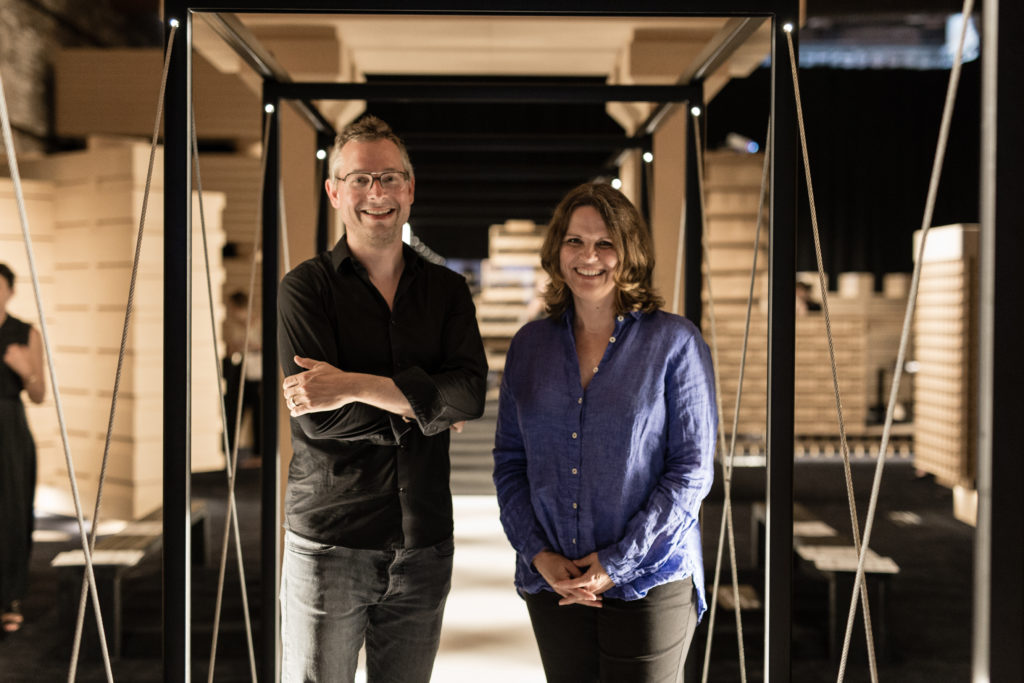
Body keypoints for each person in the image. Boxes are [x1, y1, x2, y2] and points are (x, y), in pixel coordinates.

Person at [277, 115, 487, 682]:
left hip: (424, 543)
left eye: (390, 178)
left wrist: (351, 383)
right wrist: (426, 407)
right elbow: (321, 421)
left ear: (410, 190)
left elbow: (469, 395)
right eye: (360, 179)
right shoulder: (305, 289)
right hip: (330, 543)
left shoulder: (446, 290)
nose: (377, 194)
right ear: (334, 191)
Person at [492, 183, 717, 682]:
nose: (588, 256)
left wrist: (618, 562)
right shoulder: (530, 347)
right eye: (574, 241)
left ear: (629, 251)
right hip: (557, 583)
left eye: (605, 243)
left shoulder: (674, 343)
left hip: (651, 579)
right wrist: (539, 555)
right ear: (557, 251)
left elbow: (692, 472)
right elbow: (510, 463)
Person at [0, 263, 46, 634]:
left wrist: (24, 368)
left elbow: (39, 394)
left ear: (11, 292)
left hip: (9, 430)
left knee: (12, 512)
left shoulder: (24, 332)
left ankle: (10, 597)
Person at [222, 290, 261, 462]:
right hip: (240, 373)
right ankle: (229, 451)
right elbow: (229, 349)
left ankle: (257, 454)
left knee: (259, 416)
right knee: (234, 412)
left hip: (258, 374)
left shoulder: (259, 324)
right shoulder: (231, 327)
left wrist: (252, 346)